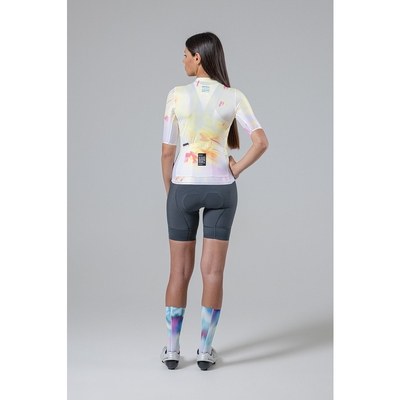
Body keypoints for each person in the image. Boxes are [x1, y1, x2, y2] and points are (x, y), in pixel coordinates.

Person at [160, 32, 269, 371]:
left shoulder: (176, 95)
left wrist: (172, 194)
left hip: (183, 186)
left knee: (179, 271)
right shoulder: (234, 96)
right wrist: (235, 168)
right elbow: (261, 142)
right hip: (222, 187)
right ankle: (205, 352)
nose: (182, 60)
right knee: (213, 272)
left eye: (185, 54)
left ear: (198, 58)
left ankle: (172, 350)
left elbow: (166, 154)